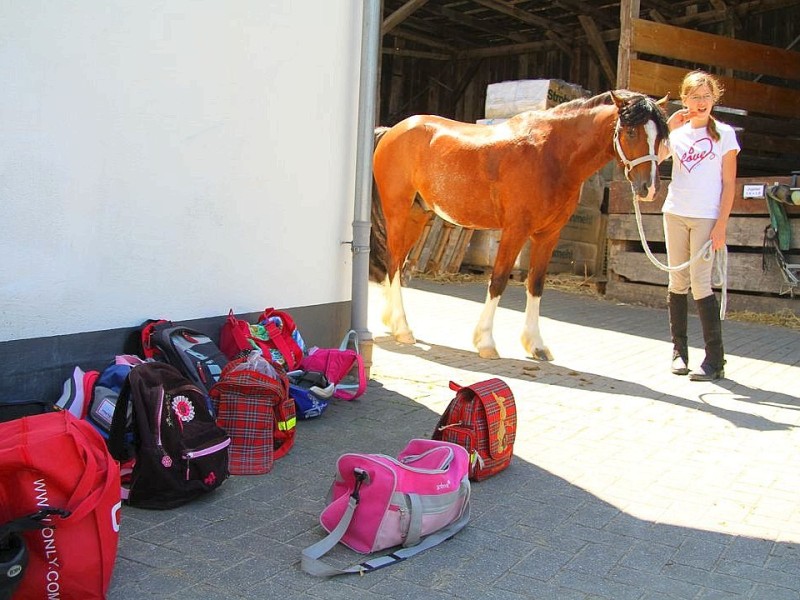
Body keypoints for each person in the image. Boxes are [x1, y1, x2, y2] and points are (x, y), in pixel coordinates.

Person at [657, 71, 740, 381]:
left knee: (701, 282)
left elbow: (729, 184)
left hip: (706, 216)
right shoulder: (677, 135)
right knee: (677, 282)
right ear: (685, 100)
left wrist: (721, 226)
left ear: (714, 98)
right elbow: (654, 158)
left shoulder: (725, 134)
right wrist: (668, 128)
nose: (701, 102)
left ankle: (715, 360)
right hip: (675, 213)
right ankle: (679, 353)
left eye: (706, 96)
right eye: (694, 97)